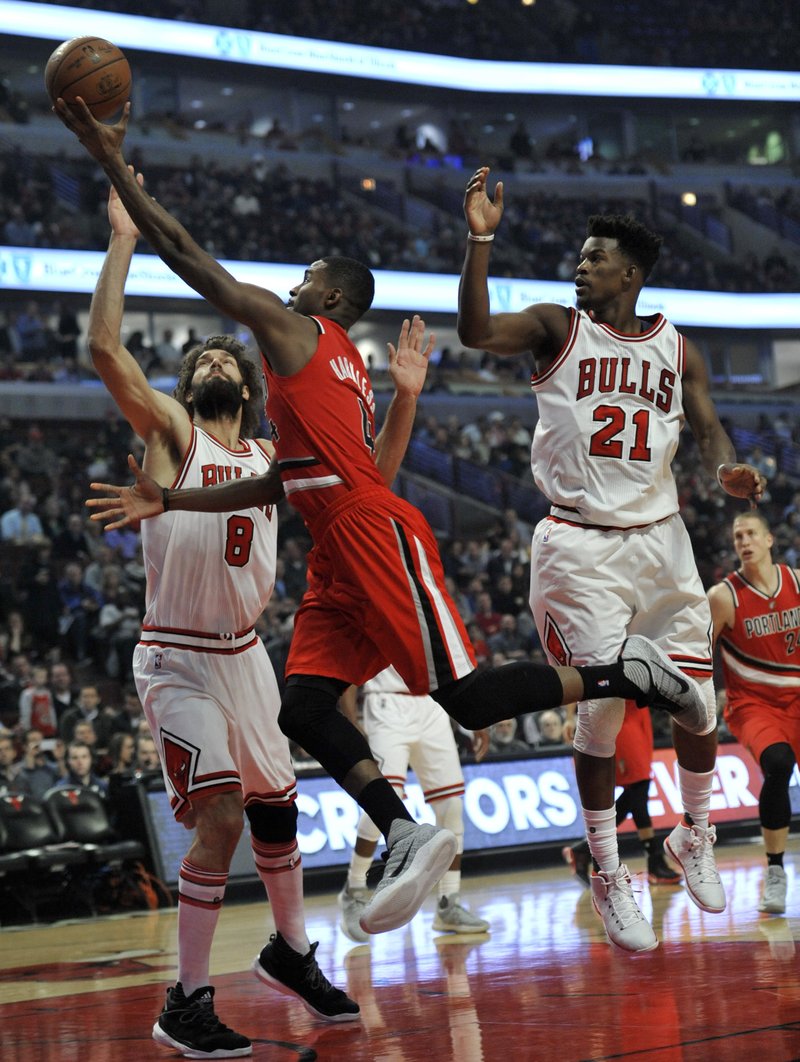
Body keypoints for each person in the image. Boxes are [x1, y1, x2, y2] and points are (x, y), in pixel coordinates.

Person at [59, 100, 709, 956]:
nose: (288, 285)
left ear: (327, 298)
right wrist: (171, 500)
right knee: (302, 707)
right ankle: (402, 832)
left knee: (466, 697)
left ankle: (617, 670)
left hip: (367, 531)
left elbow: (193, 262)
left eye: (302, 277)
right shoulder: (333, 374)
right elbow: (279, 483)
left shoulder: (298, 334)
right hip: (337, 539)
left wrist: (114, 161)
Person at [80, 177, 362, 1059]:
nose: (211, 362)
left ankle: (294, 954)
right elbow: (103, 348)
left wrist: (411, 395)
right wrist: (124, 240)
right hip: (178, 657)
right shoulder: (173, 434)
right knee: (222, 822)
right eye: (197, 359)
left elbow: (359, 475)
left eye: (222, 358)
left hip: (246, 658)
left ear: (244, 381)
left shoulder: (274, 453)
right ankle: (185, 1000)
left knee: (277, 816)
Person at [458, 166, 767, 952]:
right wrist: (480, 239)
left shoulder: (678, 348)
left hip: (662, 541)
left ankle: (693, 835)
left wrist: (725, 469)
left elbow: (707, 433)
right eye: (581, 257)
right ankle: (607, 868)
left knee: (701, 708)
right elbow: (473, 330)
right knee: (600, 715)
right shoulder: (555, 328)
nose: (581, 265)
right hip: (579, 544)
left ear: (629, 273)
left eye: (595, 258)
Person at [337, 667, 490, 943]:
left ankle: (448, 903)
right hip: (386, 705)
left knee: (452, 807)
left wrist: (476, 715)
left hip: (433, 705)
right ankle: (355, 888)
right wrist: (351, 721)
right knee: (382, 803)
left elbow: (455, 663)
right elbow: (348, 672)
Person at [708, 512, 800, 915]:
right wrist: (704, 697)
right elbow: (699, 651)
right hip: (752, 704)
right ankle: (776, 871)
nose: (743, 541)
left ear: (768, 540)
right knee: (778, 763)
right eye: (737, 535)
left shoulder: (796, 581)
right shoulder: (723, 596)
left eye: (750, 534)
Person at [563, 701, 682, 887]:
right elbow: (574, 673)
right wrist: (570, 718)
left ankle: (585, 849)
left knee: (639, 789)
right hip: (618, 718)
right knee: (638, 787)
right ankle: (654, 861)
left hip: (639, 714)